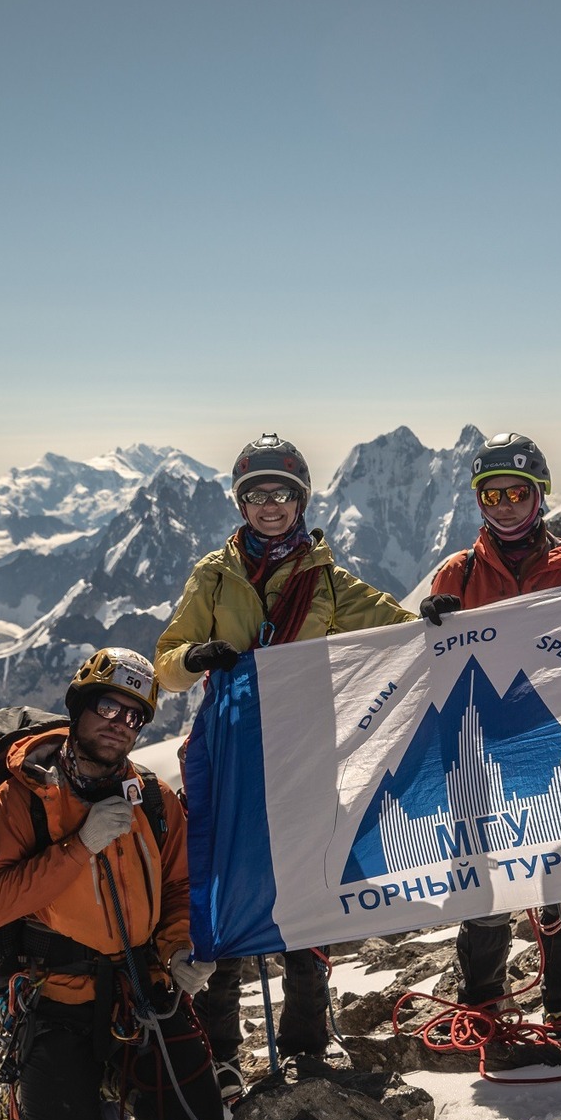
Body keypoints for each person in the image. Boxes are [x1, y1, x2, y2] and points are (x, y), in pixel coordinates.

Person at [155, 433, 414, 1086]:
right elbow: (167, 660)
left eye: (282, 493)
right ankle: (218, 1047)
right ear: (242, 502)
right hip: (232, 751)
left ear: (299, 500)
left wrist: (436, 619)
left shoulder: (325, 579)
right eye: (258, 494)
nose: (271, 505)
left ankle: (305, 1037)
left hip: (300, 753)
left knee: (305, 887)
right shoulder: (212, 577)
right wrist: (196, 657)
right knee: (227, 885)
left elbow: (395, 626)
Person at [0, 649, 225, 1120]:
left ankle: (116, 1079)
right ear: (79, 708)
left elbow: (178, 887)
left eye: (134, 717)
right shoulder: (25, 796)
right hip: (58, 994)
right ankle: (51, 1092)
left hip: (142, 989)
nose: (120, 725)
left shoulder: (154, 800)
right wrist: (79, 846)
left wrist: (179, 948)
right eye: (109, 707)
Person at [415, 432, 561, 1050]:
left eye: (517, 492)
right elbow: (424, 665)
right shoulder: (456, 574)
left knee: (560, 883)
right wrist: (431, 623)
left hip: (553, 748)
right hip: (478, 753)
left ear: (539, 495)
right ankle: (482, 1008)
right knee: (482, 883)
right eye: (491, 493)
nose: (504, 505)